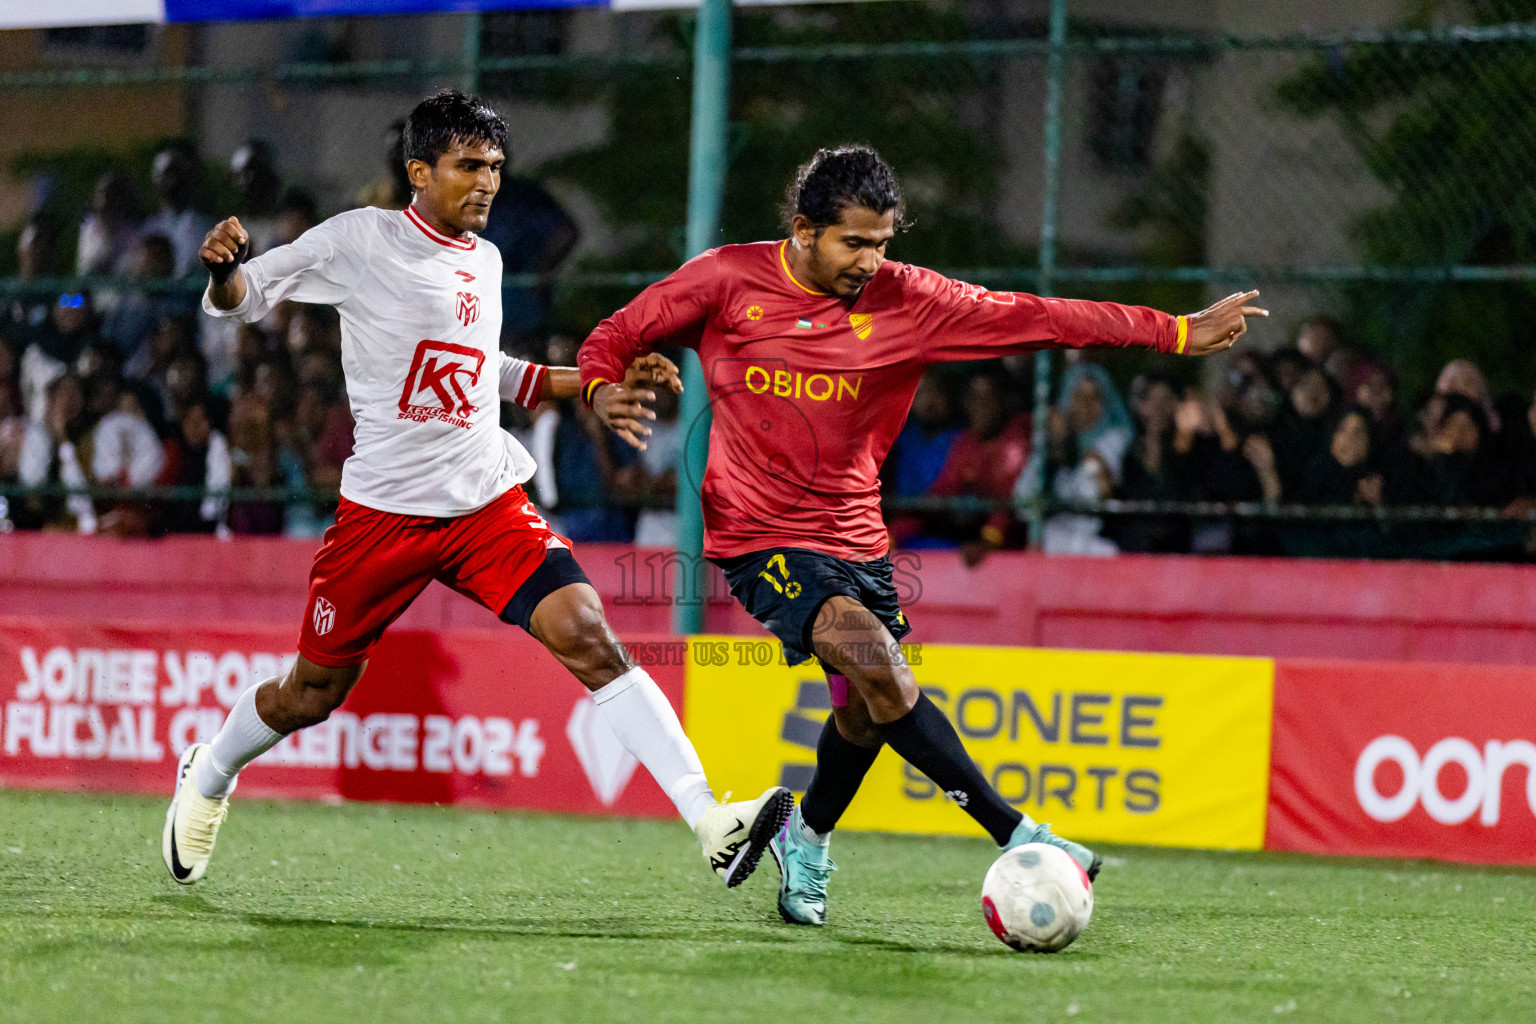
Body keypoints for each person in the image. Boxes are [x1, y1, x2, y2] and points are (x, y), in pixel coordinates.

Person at [577, 144, 1265, 926]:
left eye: (883, 243)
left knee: (866, 712)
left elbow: (1040, 318)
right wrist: (603, 388)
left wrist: (1174, 333)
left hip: (859, 540)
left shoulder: (912, 302)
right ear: (804, 229)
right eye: (854, 243)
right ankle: (1021, 834)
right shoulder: (727, 279)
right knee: (886, 673)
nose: (872, 260)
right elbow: (616, 333)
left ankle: (806, 836)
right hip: (757, 539)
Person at [165, 91, 789, 890]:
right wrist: (222, 274)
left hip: (485, 504)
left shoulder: (485, 259)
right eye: (469, 166)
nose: (488, 182)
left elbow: (485, 370)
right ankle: (210, 771)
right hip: (382, 518)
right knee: (311, 693)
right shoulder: (361, 239)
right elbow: (244, 304)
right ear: (419, 171)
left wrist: (588, 385)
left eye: (495, 167)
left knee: (589, 633)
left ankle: (712, 820)